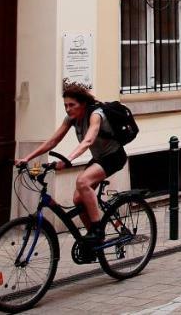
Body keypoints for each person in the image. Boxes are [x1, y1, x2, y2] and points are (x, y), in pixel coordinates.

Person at [16, 83, 128, 245]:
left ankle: (97, 229)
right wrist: (27, 158)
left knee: (82, 182)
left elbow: (88, 140)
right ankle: (94, 242)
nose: (68, 109)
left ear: (82, 104)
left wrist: (68, 160)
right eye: (65, 105)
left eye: (72, 105)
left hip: (114, 156)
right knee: (78, 199)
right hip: (99, 158)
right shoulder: (71, 118)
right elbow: (53, 140)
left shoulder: (96, 114)